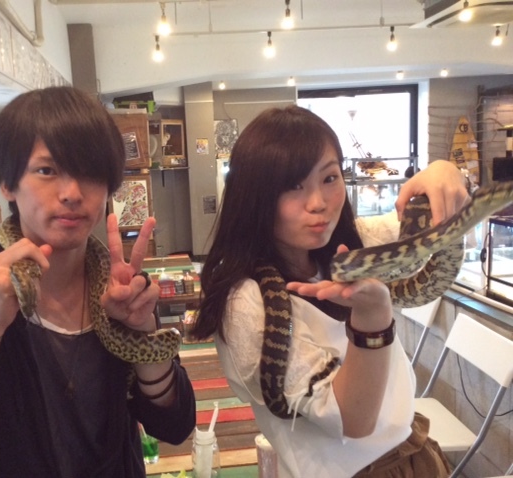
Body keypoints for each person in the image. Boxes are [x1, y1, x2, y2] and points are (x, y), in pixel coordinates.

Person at [0, 86, 196, 477]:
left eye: (91, 172)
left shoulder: (120, 291)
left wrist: (142, 331)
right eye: (47, 170)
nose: (72, 193)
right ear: (7, 184)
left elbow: (175, 427)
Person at [192, 105, 469, 478]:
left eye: (329, 178)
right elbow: (353, 420)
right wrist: (373, 318)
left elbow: (432, 220)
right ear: (255, 196)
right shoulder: (246, 302)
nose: (318, 203)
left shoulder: (350, 244)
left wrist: (443, 172)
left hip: (414, 456)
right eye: (293, 186)